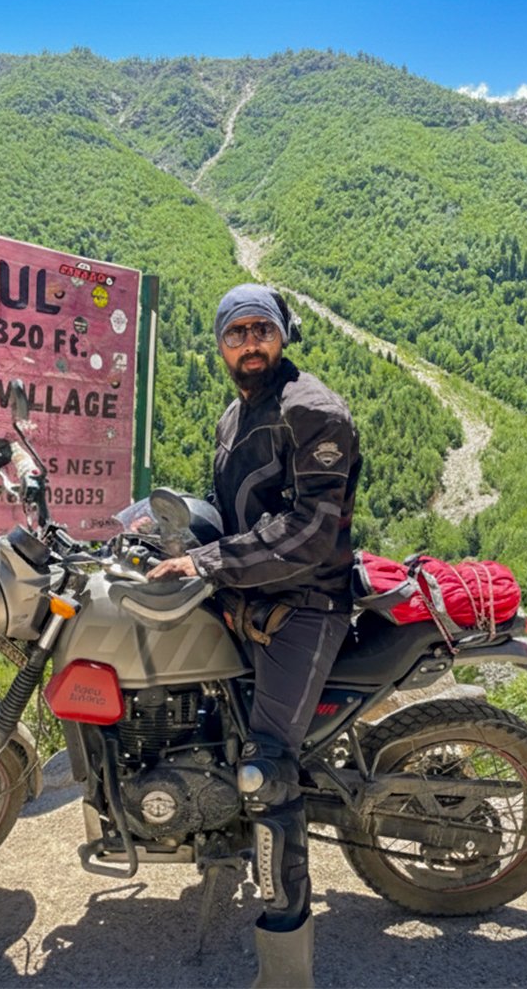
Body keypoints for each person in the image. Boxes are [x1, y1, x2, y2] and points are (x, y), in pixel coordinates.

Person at [147, 283, 361, 988]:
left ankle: (285, 968)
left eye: (259, 331)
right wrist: (154, 538)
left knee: (266, 772)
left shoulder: (312, 411)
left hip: (305, 603)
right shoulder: (235, 416)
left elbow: (308, 531)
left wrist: (207, 562)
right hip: (248, 594)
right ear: (220, 345)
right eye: (234, 334)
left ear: (282, 336)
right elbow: (235, 514)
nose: (248, 345)